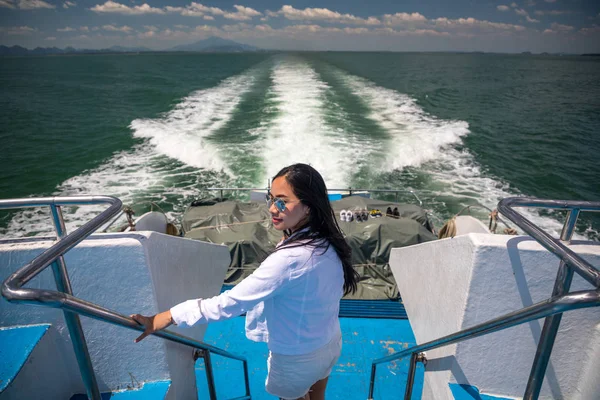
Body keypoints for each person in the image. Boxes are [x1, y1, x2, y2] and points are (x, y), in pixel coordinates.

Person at [131, 163, 359, 400]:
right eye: (271, 199)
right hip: (329, 342)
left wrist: (165, 317)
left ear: (309, 207)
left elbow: (228, 304)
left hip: (297, 360)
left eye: (282, 201)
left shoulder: (288, 260)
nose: (272, 208)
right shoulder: (327, 238)